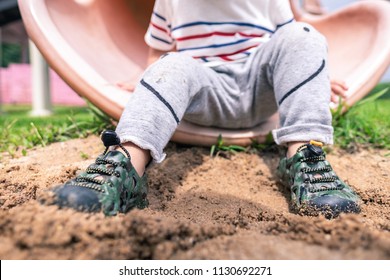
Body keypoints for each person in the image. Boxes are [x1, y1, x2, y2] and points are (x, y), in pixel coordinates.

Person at [52, 0, 361, 219]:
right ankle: (126, 165)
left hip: (259, 88)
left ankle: (305, 157)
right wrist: (150, 87)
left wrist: (315, 78)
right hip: (204, 89)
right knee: (171, 64)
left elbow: (290, 46)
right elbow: (157, 54)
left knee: (303, 35)